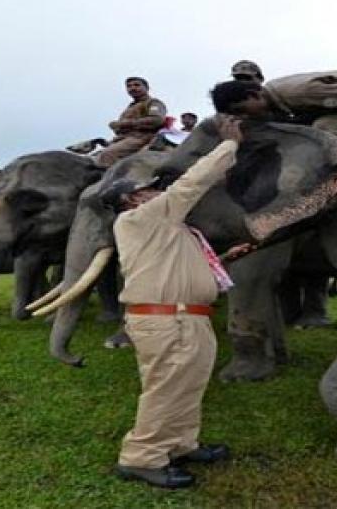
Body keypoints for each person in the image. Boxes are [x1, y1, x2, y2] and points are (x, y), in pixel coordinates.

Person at [104, 115, 252, 489]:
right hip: (169, 321)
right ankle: (141, 457)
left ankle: (181, 444)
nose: (158, 192)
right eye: (151, 189)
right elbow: (191, 184)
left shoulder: (169, 229)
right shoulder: (142, 218)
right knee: (167, 388)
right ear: (133, 199)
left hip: (189, 319)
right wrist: (229, 144)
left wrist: (227, 257)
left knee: (188, 385)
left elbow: (180, 269)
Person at [96, 76, 168, 167]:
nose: (132, 88)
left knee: (108, 154)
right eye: (129, 86)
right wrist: (116, 127)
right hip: (123, 138)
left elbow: (156, 120)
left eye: (137, 85)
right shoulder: (130, 107)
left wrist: (124, 123)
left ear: (146, 88)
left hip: (141, 138)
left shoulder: (153, 103)